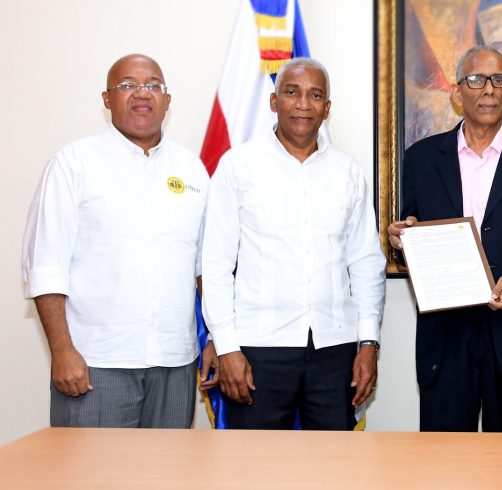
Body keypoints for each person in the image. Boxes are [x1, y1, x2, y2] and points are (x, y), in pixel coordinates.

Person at [387, 46, 502, 433]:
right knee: (446, 460)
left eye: (498, 80)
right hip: (446, 339)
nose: (488, 88)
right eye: (475, 80)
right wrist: (402, 241)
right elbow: (411, 232)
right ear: (457, 93)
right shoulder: (421, 159)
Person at [22, 54, 210, 428]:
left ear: (167, 100)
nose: (142, 93)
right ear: (107, 99)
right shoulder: (74, 163)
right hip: (95, 363)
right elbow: (45, 265)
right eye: (127, 85)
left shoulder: (192, 169)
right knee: (88, 466)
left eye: (153, 85)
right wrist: (62, 351)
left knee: (167, 466)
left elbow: (206, 267)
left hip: (175, 362)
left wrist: (216, 339)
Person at [201, 58, 386, 430]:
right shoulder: (238, 167)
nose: (303, 103)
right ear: (274, 102)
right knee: (257, 461)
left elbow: (366, 263)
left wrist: (368, 342)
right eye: (292, 92)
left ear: (327, 108)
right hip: (257, 348)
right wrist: (227, 346)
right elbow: (216, 265)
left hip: (335, 348)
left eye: (315, 95)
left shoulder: (348, 173)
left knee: (334, 460)